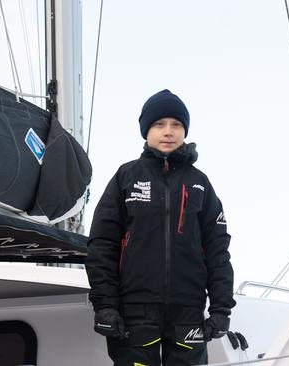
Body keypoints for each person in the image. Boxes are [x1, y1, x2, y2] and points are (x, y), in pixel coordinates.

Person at [85, 89, 236, 366]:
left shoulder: (200, 183)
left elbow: (218, 249)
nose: (168, 132)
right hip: (135, 311)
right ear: (146, 131)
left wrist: (221, 308)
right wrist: (105, 306)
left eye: (176, 124)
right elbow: (101, 245)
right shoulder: (125, 177)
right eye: (159, 124)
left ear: (185, 131)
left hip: (187, 309)